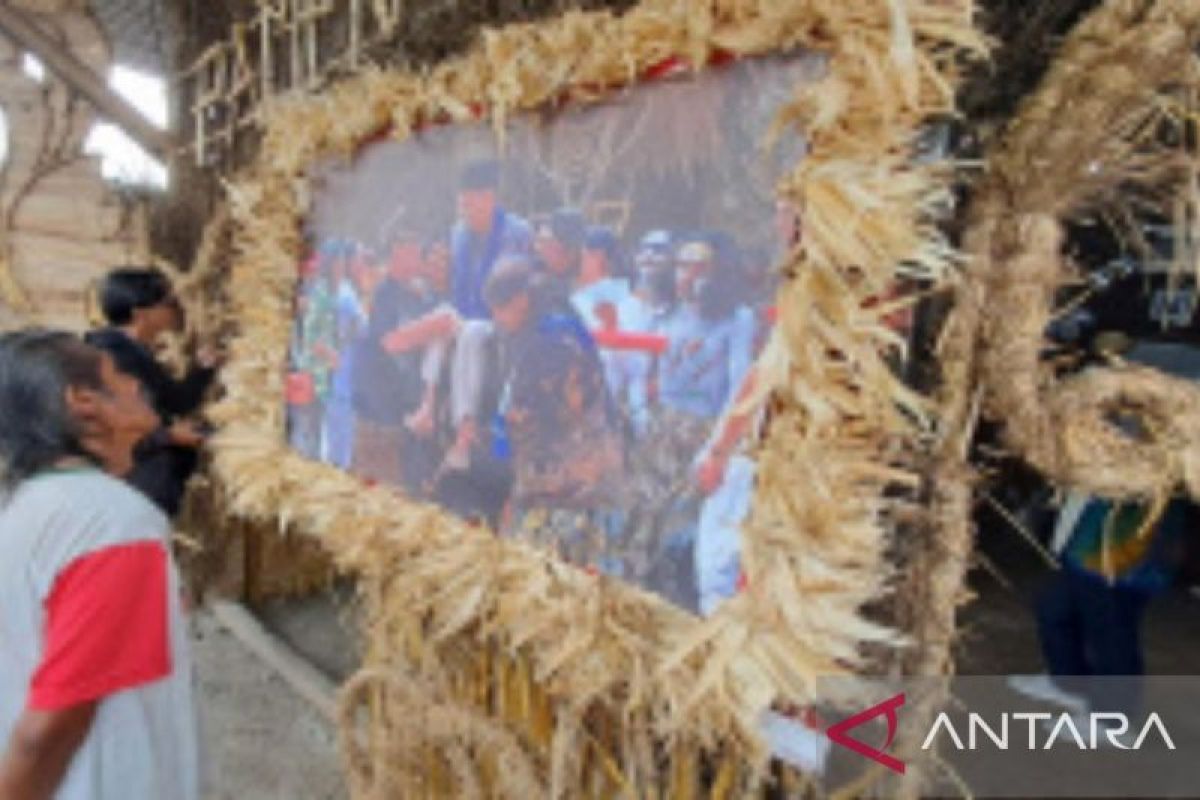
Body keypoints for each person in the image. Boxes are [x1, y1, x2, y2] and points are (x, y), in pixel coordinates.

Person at [0, 329, 200, 800]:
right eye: (120, 375)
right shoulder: (111, 523)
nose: (136, 385)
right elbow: (44, 732)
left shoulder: (31, 505)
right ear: (84, 401)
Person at [484, 258, 624, 565]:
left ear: (521, 301)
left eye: (499, 308)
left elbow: (536, 420)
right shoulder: (539, 334)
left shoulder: (555, 343)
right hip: (555, 483)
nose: (496, 318)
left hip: (572, 489)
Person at [85, 268, 217, 516]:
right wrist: (168, 437)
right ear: (140, 315)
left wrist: (202, 370)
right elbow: (108, 433)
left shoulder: (131, 351)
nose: (176, 308)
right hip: (135, 488)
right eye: (167, 302)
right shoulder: (111, 361)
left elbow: (176, 402)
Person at [449, 160, 532, 321]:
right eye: (461, 206)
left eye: (469, 204)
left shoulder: (517, 232)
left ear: (489, 199)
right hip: (463, 317)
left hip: (502, 321)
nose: (464, 212)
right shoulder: (458, 234)